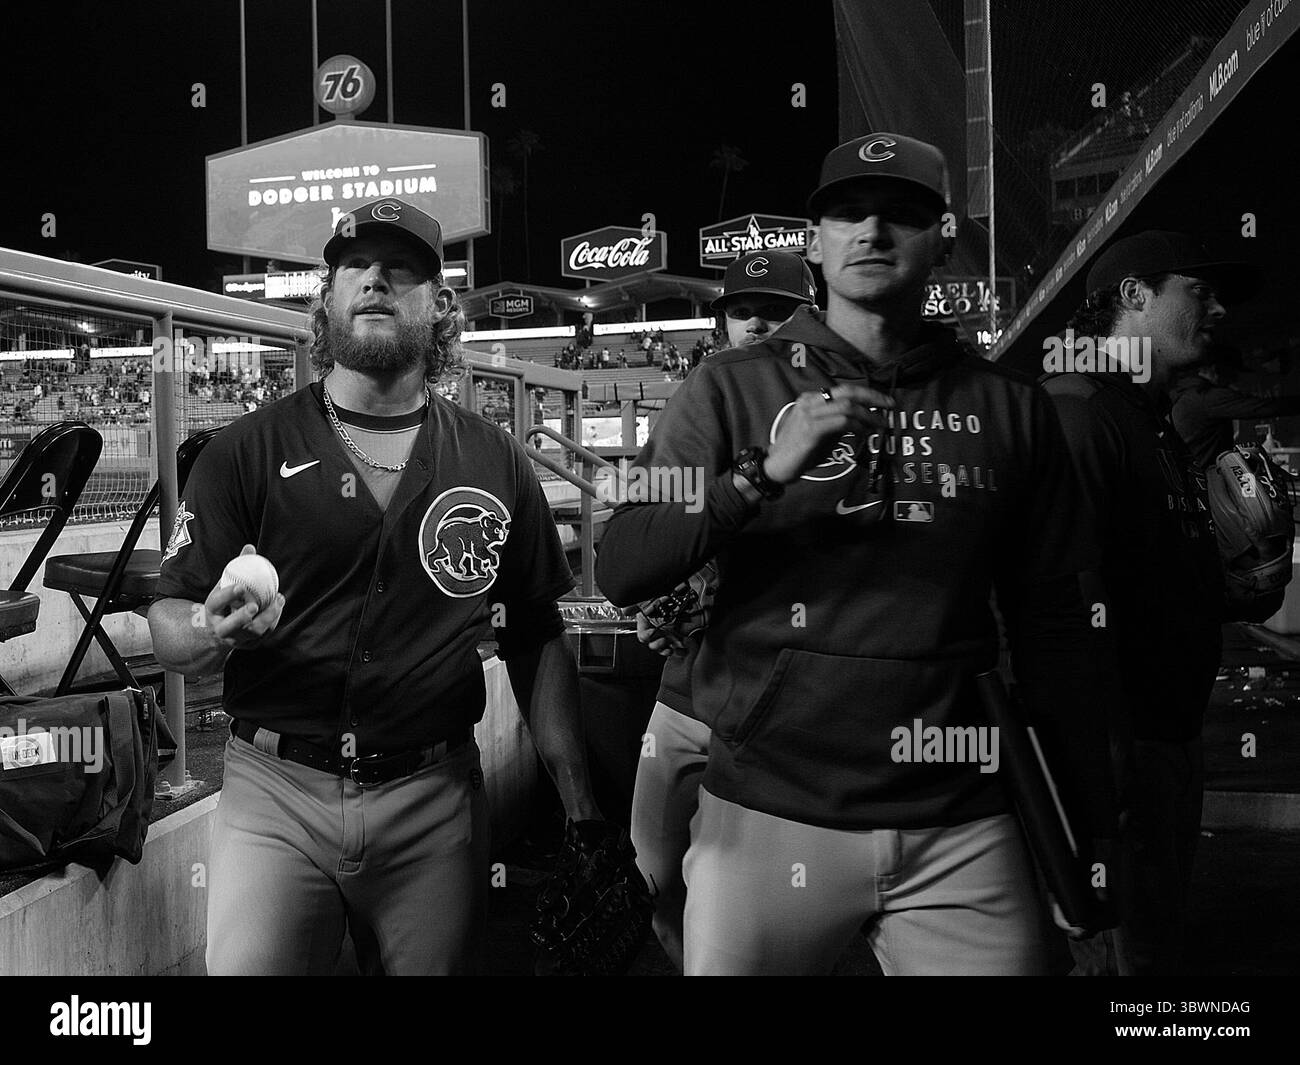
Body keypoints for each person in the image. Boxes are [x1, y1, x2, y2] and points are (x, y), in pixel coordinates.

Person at [597, 133, 1117, 975]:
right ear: (814, 241)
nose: (871, 232)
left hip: (963, 818)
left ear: (945, 236)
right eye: (846, 213)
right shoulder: (731, 386)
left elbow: (1057, 626)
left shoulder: (1008, 407)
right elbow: (623, 563)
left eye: (901, 214)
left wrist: (1088, 823)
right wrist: (759, 476)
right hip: (768, 808)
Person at [149, 199, 598, 976]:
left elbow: (534, 629)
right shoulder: (246, 450)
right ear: (326, 298)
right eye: (354, 264)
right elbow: (168, 620)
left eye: (403, 266)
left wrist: (582, 805)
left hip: (434, 795)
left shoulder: (495, 460)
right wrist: (208, 629)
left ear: (441, 303)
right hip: (274, 793)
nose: (376, 279)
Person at [1042, 230, 1265, 975]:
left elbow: (1141, 578)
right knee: (1124, 969)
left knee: (1154, 954)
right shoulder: (1079, 412)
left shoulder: (1148, 418)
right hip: (1118, 765)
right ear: (1135, 295)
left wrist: (1229, 590)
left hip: (1162, 743)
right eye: (1198, 291)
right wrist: (1098, 783)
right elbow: (1058, 612)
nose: (1219, 307)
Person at [628, 249, 817, 971]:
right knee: (647, 866)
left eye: (777, 310)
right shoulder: (697, 405)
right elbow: (645, 535)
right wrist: (661, 594)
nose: (758, 323)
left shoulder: (834, 413)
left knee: (768, 902)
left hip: (784, 703)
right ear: (723, 321)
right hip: (688, 686)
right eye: (744, 310)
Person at [1170, 344, 1300, 469]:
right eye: (1233, 372)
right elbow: (1262, 407)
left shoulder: (1184, 393)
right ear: (1218, 369)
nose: (1234, 379)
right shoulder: (1209, 397)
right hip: (1205, 480)